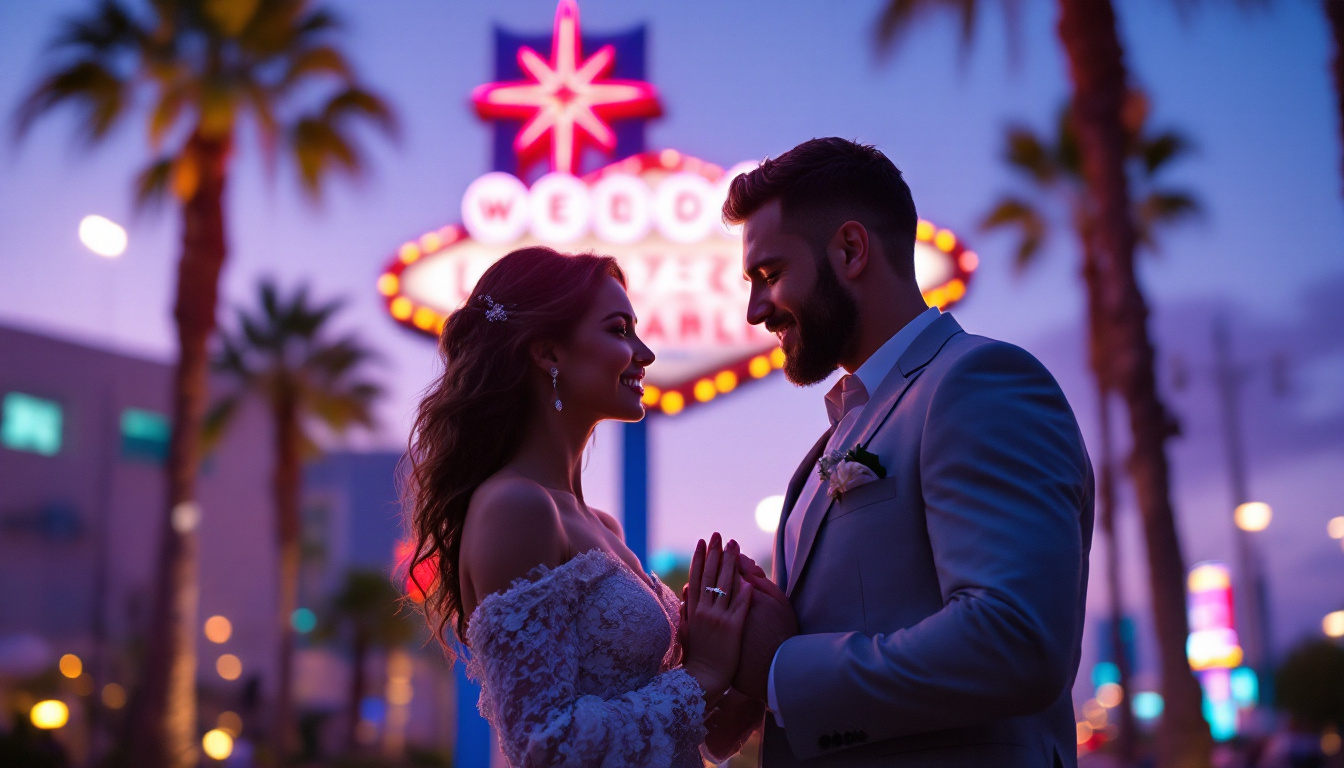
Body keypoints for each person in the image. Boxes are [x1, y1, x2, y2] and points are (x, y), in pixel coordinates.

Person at [708, 137, 1096, 767]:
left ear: (851, 250)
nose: (756, 311)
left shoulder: (981, 382)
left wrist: (784, 670)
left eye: (770, 275)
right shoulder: (830, 441)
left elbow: (1014, 640)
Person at [402, 247, 752, 768]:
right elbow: (546, 746)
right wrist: (700, 676)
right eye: (619, 330)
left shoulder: (601, 524)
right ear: (548, 354)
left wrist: (749, 658)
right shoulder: (515, 508)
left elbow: (693, 738)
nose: (645, 353)